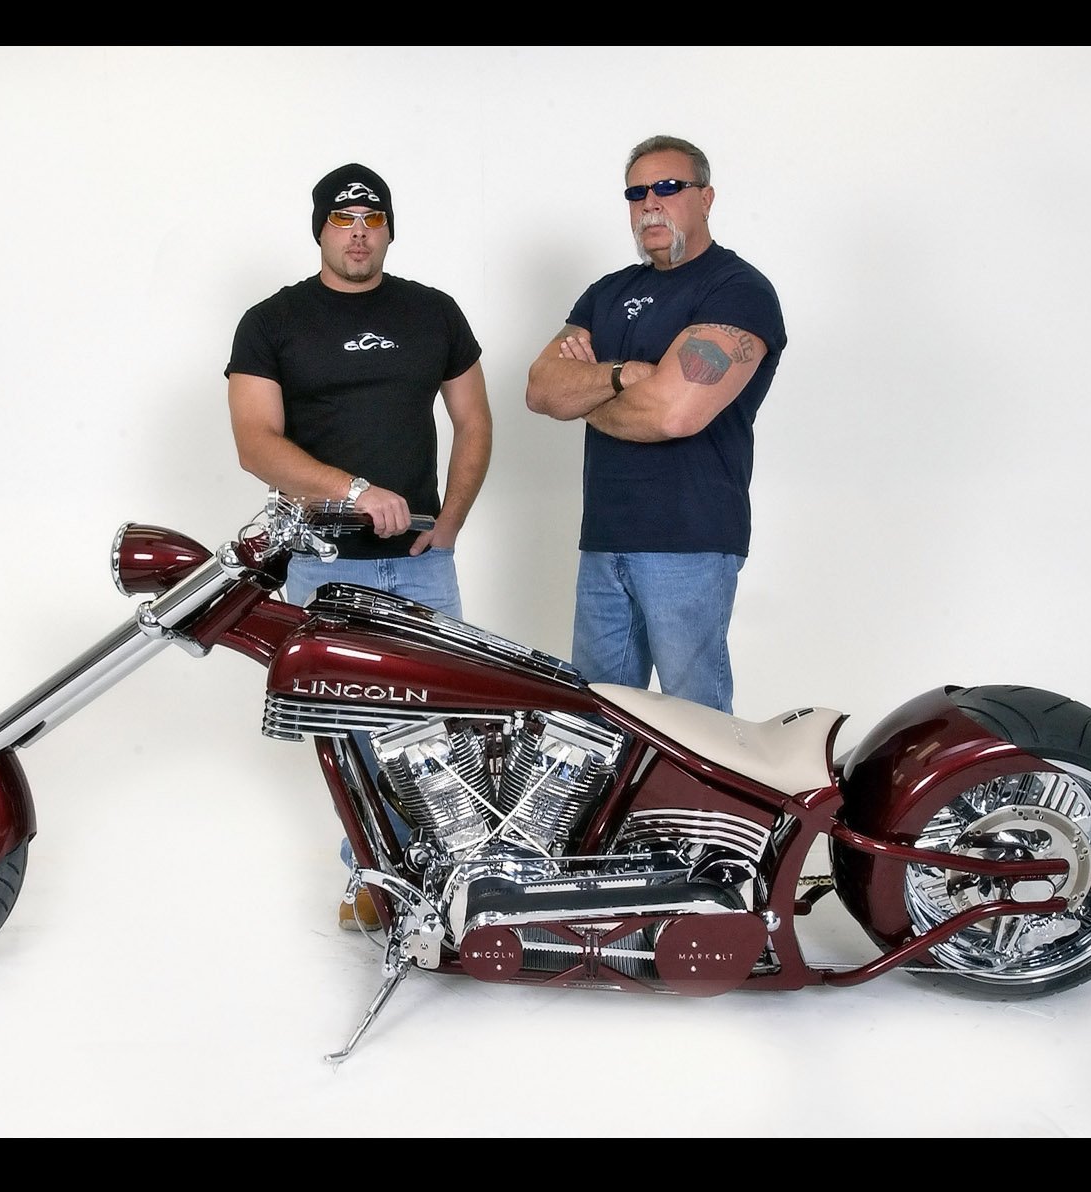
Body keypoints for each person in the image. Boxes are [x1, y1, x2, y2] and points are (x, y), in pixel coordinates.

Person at [225, 161, 493, 929]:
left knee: (445, 728)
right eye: (343, 220)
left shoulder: (433, 313)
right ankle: (375, 876)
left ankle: (455, 879)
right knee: (354, 739)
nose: (357, 234)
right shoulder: (272, 322)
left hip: (423, 564)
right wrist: (352, 491)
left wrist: (452, 518)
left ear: (389, 230)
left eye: (372, 220)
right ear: (320, 230)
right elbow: (255, 444)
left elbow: (474, 421)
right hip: (325, 568)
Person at [524, 135, 785, 716]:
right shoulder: (607, 293)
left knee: (695, 726)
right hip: (604, 540)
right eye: (637, 192)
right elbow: (541, 389)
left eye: (668, 187)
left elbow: (675, 413)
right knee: (594, 723)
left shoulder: (736, 290)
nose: (650, 203)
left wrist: (588, 393)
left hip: (690, 542)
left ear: (706, 198)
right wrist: (627, 375)